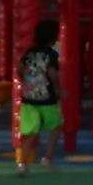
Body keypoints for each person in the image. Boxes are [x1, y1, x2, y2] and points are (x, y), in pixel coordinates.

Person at [17, 19, 62, 176]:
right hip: (47, 97)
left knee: (30, 132)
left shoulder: (30, 53)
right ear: (53, 37)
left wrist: (25, 81)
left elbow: (20, 67)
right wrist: (58, 88)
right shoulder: (51, 54)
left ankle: (22, 163)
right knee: (56, 126)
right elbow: (52, 73)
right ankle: (47, 158)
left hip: (29, 97)